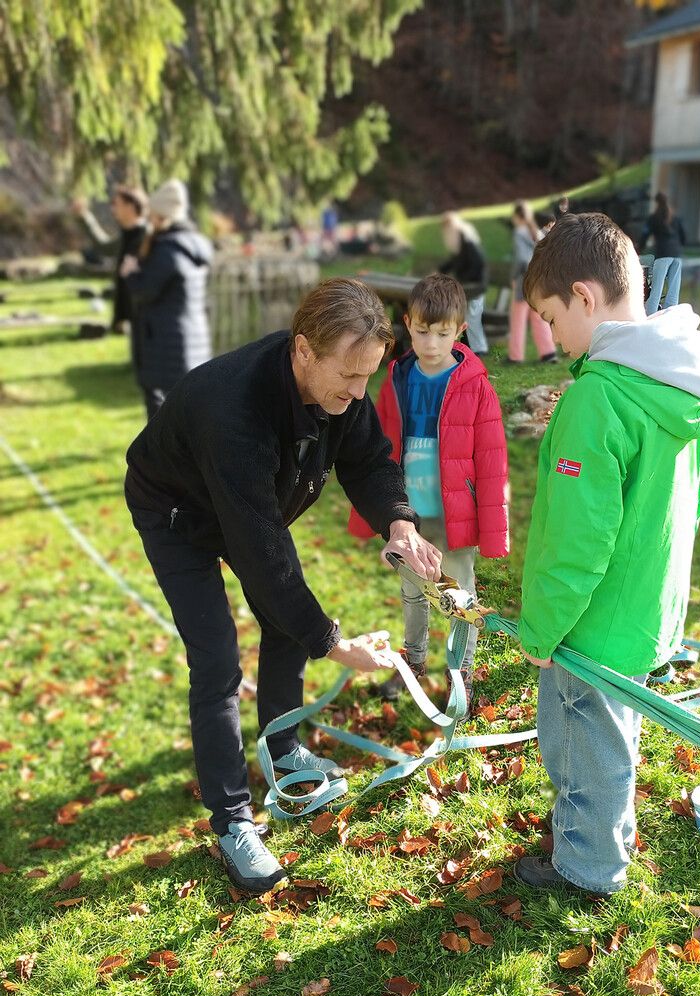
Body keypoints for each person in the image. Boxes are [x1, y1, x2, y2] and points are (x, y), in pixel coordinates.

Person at [124, 277, 443, 895]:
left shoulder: (341, 387)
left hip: (254, 505)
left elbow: (369, 460)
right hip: (178, 513)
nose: (359, 393)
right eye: (348, 376)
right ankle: (232, 822)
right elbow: (263, 555)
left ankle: (282, 746)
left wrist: (400, 526)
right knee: (217, 659)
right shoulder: (233, 410)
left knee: (284, 620)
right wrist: (335, 644)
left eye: (369, 376)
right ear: (303, 350)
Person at [512, 212, 700, 896]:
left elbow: (577, 540)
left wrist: (541, 628)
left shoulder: (599, 398)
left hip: (591, 621)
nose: (553, 337)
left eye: (551, 319)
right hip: (645, 607)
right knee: (610, 735)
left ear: (583, 297)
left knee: (584, 741)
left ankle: (588, 868)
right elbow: (698, 489)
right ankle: (603, 833)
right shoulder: (679, 381)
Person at [348, 274, 509, 711]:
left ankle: (461, 672)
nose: (431, 343)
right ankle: (414, 662)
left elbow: (492, 460)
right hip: (409, 516)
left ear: (460, 330)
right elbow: (378, 447)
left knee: (460, 597)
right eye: (422, 331)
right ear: (408, 325)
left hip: (456, 517)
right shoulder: (397, 378)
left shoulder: (476, 384)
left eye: (442, 333)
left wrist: (494, 530)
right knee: (413, 591)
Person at [120, 179, 213, 423]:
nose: (149, 220)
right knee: (188, 415)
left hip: (164, 345)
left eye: (152, 214)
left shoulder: (167, 250)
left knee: (163, 421)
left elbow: (144, 291)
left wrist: (130, 273)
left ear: (162, 216)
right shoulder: (194, 245)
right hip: (192, 339)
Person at [72, 185, 148, 333]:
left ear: (130, 207)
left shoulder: (148, 238)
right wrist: (84, 217)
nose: (113, 210)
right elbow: (103, 247)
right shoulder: (127, 235)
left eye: (117, 205)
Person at [508, 201, 558, 365]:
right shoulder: (537, 232)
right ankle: (548, 353)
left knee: (518, 321)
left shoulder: (519, 232)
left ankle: (516, 356)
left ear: (517, 216)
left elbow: (521, 259)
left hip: (523, 282)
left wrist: (513, 276)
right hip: (538, 283)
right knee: (538, 318)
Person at [439, 212, 489, 356]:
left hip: (475, 285)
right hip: (466, 286)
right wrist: (440, 271)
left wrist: (464, 279)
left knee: (473, 315)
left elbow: (478, 264)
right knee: (466, 314)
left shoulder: (467, 240)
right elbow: (454, 261)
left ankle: (479, 349)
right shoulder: (458, 242)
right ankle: (468, 344)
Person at [639, 192, 688, 315]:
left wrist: (639, 248)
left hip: (663, 254)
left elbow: (645, 234)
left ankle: (650, 316)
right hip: (676, 255)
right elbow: (683, 236)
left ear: (656, 203)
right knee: (673, 291)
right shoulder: (675, 218)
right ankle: (670, 316)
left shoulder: (654, 218)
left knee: (657, 289)